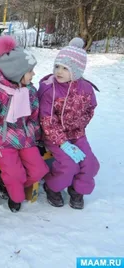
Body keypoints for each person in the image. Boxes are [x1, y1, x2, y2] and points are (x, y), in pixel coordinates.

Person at [0, 35, 49, 212]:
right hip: (4, 142)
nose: (33, 74)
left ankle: (9, 182)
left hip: (26, 139)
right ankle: (13, 192)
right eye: (30, 71)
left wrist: (37, 139)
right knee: (15, 176)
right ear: (17, 73)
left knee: (39, 170)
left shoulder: (29, 91)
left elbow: (34, 117)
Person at [38, 38, 100, 209]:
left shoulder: (85, 88)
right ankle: (52, 187)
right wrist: (63, 143)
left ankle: (77, 189)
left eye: (65, 68)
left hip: (77, 134)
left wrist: (80, 124)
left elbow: (90, 108)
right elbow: (47, 120)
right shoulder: (50, 89)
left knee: (90, 163)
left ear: (77, 70)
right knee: (69, 165)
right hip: (55, 137)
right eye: (57, 66)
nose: (59, 71)